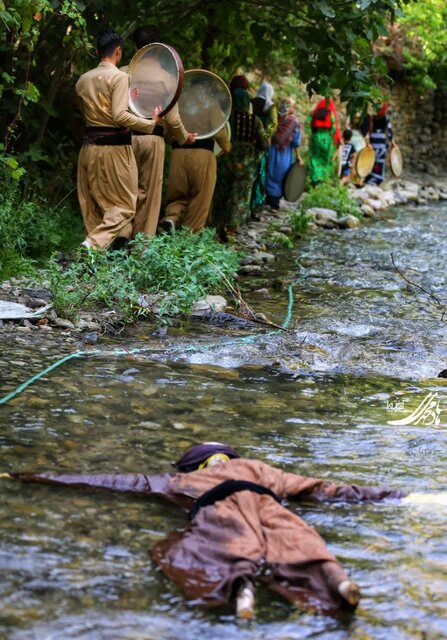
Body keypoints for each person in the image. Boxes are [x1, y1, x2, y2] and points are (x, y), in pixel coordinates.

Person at [5, 442, 407, 619]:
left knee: (229, 549)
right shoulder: (260, 470)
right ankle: (338, 583)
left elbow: (109, 481)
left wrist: (31, 476)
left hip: (217, 511)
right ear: (229, 458)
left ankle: (243, 593)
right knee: (299, 542)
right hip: (267, 504)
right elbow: (328, 491)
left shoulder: (179, 482)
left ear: (196, 467)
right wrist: (397, 495)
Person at [76, 30, 159, 251]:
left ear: (97, 51)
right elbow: (119, 115)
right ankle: (92, 245)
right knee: (124, 206)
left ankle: (93, 254)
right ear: (118, 51)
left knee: (91, 203)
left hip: (87, 148)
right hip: (114, 148)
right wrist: (151, 124)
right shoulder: (120, 77)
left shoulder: (82, 80)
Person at [120, 26, 196, 237]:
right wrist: (183, 137)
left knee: (124, 189)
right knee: (149, 193)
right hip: (153, 138)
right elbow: (172, 118)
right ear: (157, 49)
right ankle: (141, 243)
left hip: (123, 138)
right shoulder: (168, 78)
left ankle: (120, 234)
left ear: (135, 48)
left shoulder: (122, 73)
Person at [160, 76, 231, 233]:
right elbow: (219, 133)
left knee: (176, 196)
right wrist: (227, 147)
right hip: (202, 155)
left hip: (178, 154)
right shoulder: (211, 104)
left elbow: (166, 133)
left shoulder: (177, 102)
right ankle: (189, 239)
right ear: (206, 86)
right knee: (200, 200)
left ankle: (171, 219)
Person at [212, 76, 268, 239]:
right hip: (246, 165)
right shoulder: (254, 121)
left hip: (224, 161)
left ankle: (218, 226)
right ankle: (231, 230)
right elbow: (263, 144)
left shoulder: (224, 119)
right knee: (239, 197)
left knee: (221, 193)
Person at [265, 98, 303, 210]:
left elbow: (268, 133)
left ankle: (270, 199)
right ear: (290, 108)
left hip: (272, 150)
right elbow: (296, 142)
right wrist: (299, 157)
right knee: (281, 176)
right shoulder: (294, 122)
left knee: (271, 174)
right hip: (285, 153)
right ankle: (274, 201)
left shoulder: (275, 119)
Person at [307, 97, 342, 186]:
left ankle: (315, 179)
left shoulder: (315, 113)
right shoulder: (330, 114)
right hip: (327, 138)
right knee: (326, 159)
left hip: (316, 137)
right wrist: (333, 138)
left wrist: (312, 135)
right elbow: (334, 127)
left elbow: (309, 124)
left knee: (315, 158)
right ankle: (324, 179)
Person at [361, 103, 395, 185]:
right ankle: (376, 179)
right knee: (379, 162)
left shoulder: (372, 118)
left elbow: (368, 130)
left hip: (373, 142)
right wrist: (392, 143)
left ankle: (369, 178)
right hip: (381, 143)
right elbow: (389, 132)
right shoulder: (385, 118)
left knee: (372, 160)